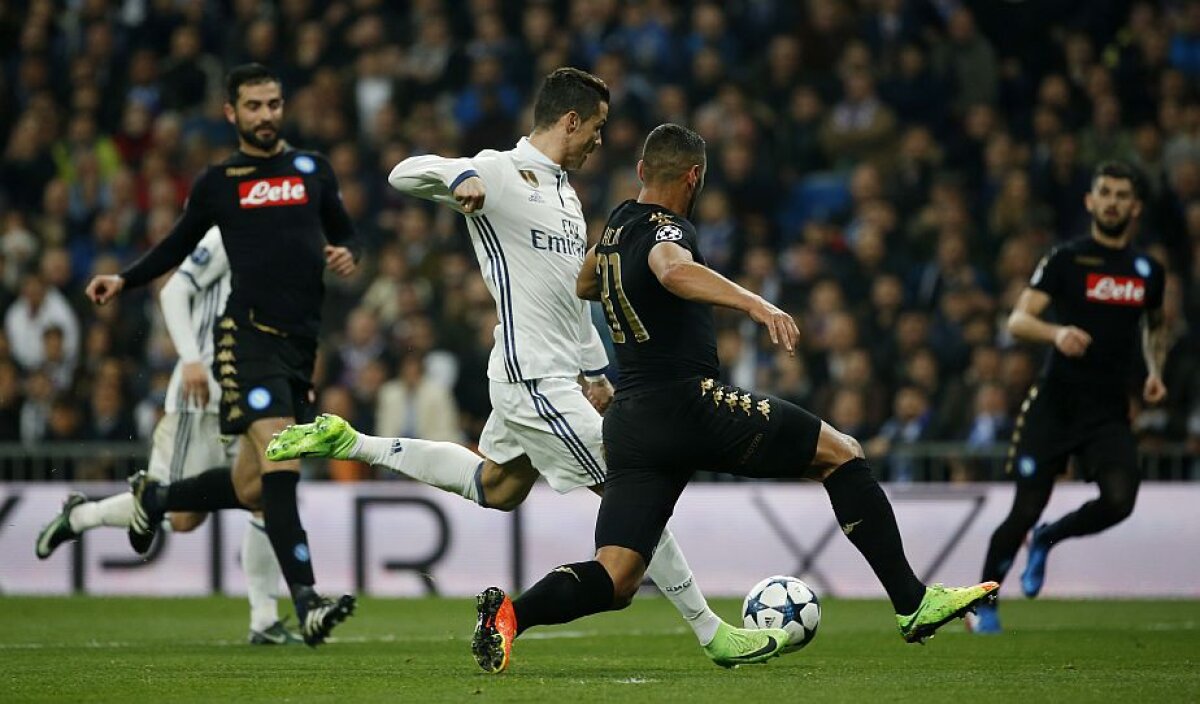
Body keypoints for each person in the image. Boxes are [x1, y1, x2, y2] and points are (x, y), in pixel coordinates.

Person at [267, 68, 768, 666]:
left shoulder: (565, 196)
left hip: (552, 376)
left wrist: (596, 371)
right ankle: (713, 632)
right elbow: (403, 173)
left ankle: (355, 442)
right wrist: (464, 175)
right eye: (598, 129)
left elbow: (573, 298)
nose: (601, 142)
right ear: (570, 121)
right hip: (533, 378)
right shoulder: (500, 170)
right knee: (633, 484)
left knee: (497, 487)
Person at [470, 123, 999, 674]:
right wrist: (755, 304)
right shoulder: (667, 226)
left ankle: (510, 615)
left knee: (618, 575)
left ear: (642, 172)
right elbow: (671, 268)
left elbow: (584, 283)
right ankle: (912, 603)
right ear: (695, 176)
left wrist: (619, 274)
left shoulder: (619, 225)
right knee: (841, 452)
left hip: (632, 421)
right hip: (690, 405)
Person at [83, 64, 359, 646]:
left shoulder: (312, 169)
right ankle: (306, 600)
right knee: (284, 460)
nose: (267, 115)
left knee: (255, 485)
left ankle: (155, 496)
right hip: (245, 341)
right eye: (254, 106)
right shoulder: (220, 181)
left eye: (274, 103)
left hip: (298, 348)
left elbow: (344, 232)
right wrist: (124, 279)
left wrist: (345, 255)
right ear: (231, 113)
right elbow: (176, 246)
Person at [35, 228, 299, 645]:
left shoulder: (286, 240)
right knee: (184, 517)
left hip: (252, 393)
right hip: (203, 396)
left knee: (267, 490)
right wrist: (192, 361)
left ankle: (264, 620)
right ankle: (87, 515)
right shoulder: (227, 230)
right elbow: (174, 292)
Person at [971, 161, 1167, 634]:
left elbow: (1154, 327)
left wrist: (1155, 372)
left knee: (1121, 500)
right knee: (1024, 508)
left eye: (1123, 194)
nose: (1113, 201)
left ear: (1135, 206)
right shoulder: (1067, 259)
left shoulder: (1147, 270)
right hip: (1055, 404)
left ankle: (1050, 538)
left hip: (1108, 410)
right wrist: (1057, 333)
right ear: (1090, 201)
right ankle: (985, 605)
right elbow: (1018, 320)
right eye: (1106, 192)